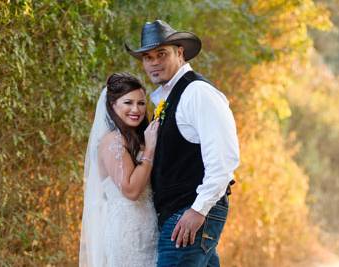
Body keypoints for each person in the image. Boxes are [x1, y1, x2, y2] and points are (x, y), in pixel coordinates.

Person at [125, 20, 240, 266]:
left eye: (161, 54)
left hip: (189, 211)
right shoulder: (167, 98)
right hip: (177, 212)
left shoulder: (198, 93)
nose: (154, 62)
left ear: (180, 53)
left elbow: (224, 159)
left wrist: (198, 210)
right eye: (147, 57)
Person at [79, 73, 160, 267]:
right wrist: (150, 149)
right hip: (128, 235)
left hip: (151, 230)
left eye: (141, 103)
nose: (136, 109)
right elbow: (131, 190)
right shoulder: (112, 141)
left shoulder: (141, 138)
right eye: (128, 103)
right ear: (113, 104)